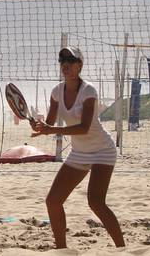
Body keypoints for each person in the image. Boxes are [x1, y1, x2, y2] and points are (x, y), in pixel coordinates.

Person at [30, 47, 125, 250]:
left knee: (96, 202)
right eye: (62, 60)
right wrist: (39, 126)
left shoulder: (88, 91)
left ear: (79, 65)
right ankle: (62, 251)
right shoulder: (56, 92)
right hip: (79, 152)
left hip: (102, 150)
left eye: (71, 60)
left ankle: (122, 249)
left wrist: (50, 129)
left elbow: (84, 127)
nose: (65, 64)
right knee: (53, 201)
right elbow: (49, 122)